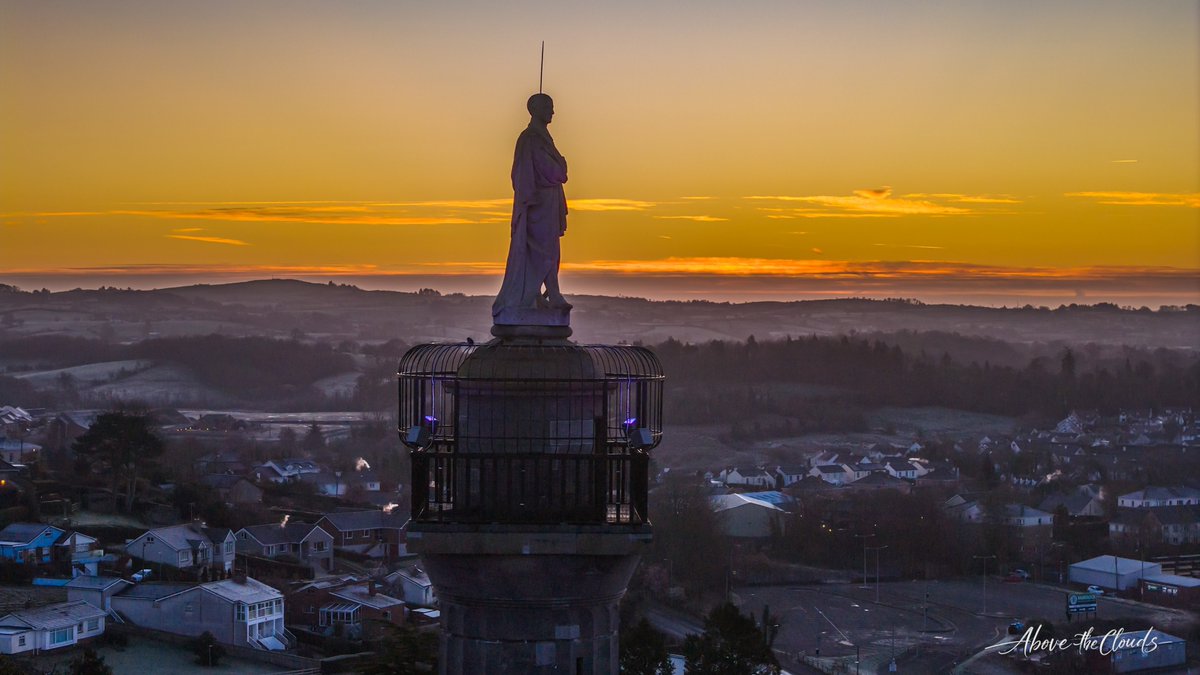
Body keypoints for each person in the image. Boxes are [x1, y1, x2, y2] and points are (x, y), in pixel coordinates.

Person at [492, 93, 572, 319]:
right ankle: (549, 294)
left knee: (549, 249)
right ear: (535, 110)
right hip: (538, 205)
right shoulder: (531, 139)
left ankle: (543, 294)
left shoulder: (542, 138)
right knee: (543, 250)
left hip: (547, 203)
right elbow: (555, 172)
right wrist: (562, 164)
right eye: (548, 107)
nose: (553, 112)